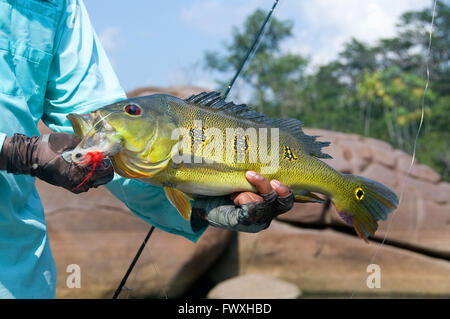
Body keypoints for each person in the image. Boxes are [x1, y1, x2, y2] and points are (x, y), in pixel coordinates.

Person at [0, 0, 294, 298]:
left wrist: (198, 205)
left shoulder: (59, 5)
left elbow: (110, 132)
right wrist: (13, 151)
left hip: (21, 273)